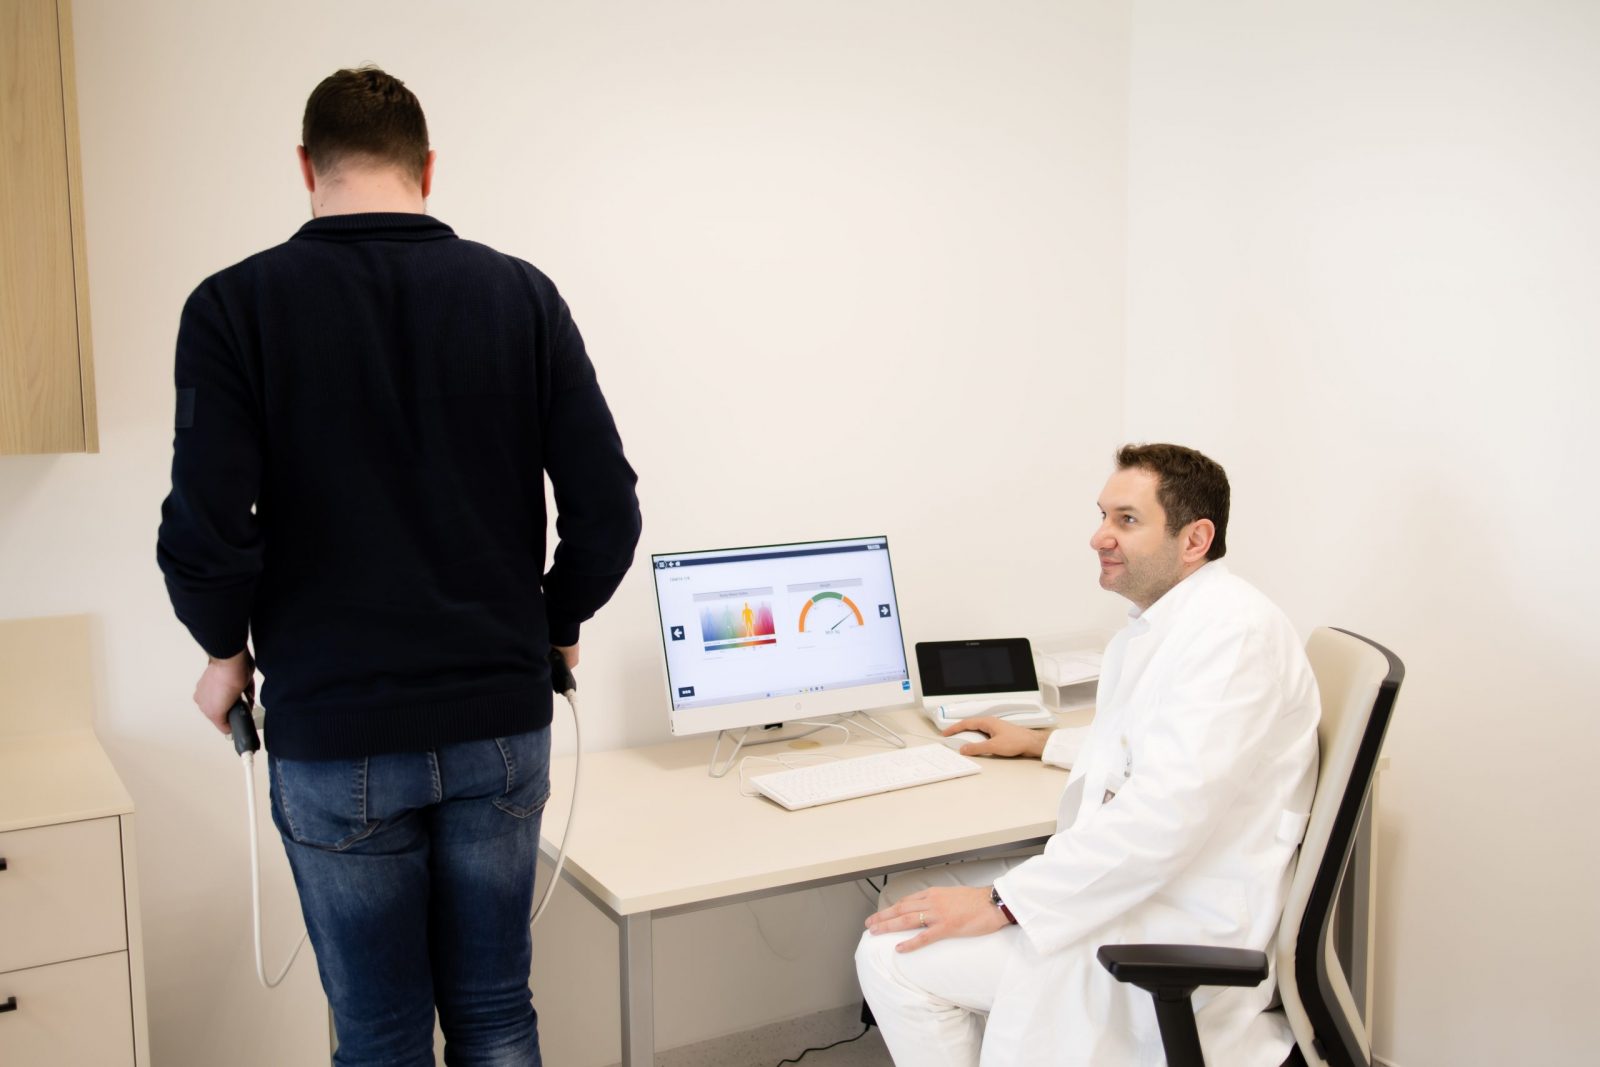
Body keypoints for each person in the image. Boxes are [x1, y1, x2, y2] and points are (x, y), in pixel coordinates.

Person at [156, 66, 641, 1066]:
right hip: (499, 719)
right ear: (428, 167)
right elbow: (607, 508)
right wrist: (554, 622)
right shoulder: (522, 296)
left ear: (306, 167)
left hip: (338, 732)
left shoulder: (234, 307)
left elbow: (207, 526)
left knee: (380, 1034)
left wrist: (223, 650)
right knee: (496, 1012)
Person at [856, 444, 1318, 1066]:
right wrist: (1042, 742)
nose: (1099, 536)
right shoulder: (1174, 621)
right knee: (908, 894)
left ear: (1195, 539)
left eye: (1126, 520)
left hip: (1175, 919)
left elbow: (1164, 817)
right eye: (1103, 515)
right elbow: (1155, 750)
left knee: (887, 954)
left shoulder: (1234, 636)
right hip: (1153, 882)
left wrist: (1001, 902)